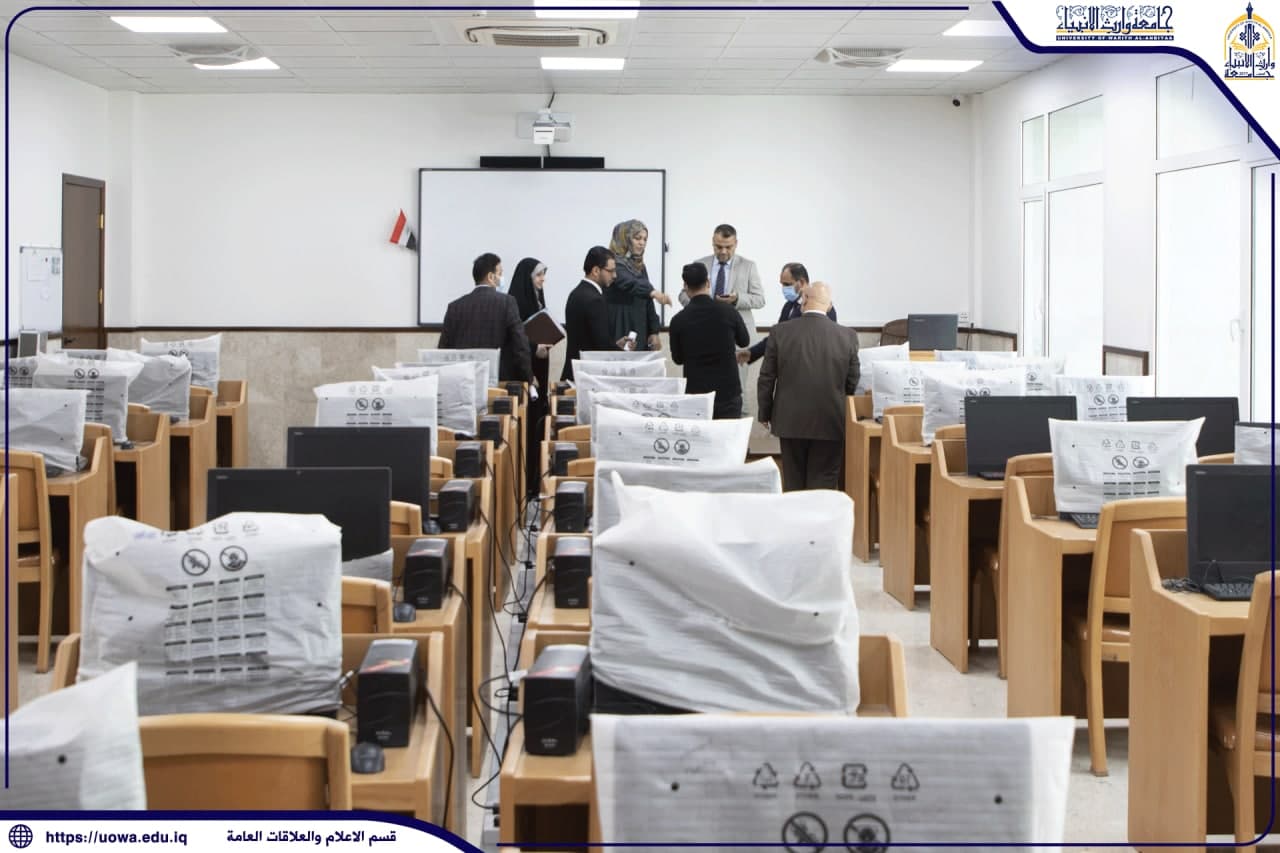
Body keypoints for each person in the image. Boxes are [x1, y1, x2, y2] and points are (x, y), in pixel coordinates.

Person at [758, 282, 860, 492]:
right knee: (824, 481)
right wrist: (840, 401)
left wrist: (765, 413)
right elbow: (853, 379)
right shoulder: (848, 336)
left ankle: (795, 513)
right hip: (831, 418)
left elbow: (767, 376)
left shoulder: (780, 332)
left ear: (804, 300)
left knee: (794, 480)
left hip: (790, 420)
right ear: (829, 306)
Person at [681, 224, 765, 392]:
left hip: (737, 338)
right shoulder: (700, 264)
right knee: (704, 388)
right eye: (718, 247)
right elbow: (683, 294)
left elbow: (759, 299)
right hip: (703, 335)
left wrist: (737, 299)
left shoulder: (748, 266)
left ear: (736, 244)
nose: (723, 251)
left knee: (738, 390)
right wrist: (702, 305)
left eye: (728, 247)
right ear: (712, 242)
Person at [669, 261, 750, 419]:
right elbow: (744, 341)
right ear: (708, 282)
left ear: (685, 286)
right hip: (728, 392)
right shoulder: (728, 311)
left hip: (696, 395)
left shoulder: (678, 320)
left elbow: (678, 359)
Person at [438, 252, 532, 383]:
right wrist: (528, 378)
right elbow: (520, 346)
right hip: (499, 384)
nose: (502, 278)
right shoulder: (507, 303)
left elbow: (443, 350)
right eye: (500, 274)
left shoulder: (454, 307)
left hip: (462, 382)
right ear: (491, 277)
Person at [509, 257, 553, 494]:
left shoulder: (538, 299)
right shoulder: (515, 302)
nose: (542, 279)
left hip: (540, 367)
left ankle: (536, 483)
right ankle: (525, 484)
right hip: (525, 373)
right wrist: (534, 346)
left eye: (543, 275)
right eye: (538, 275)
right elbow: (514, 340)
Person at [740, 263, 837, 365]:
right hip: (789, 367)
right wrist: (752, 353)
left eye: (787, 284)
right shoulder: (788, 306)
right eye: (782, 284)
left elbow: (825, 342)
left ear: (801, 282)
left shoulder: (823, 306)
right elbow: (778, 336)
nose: (783, 289)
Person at [562, 246, 632, 381]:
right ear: (595, 270)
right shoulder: (595, 300)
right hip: (588, 377)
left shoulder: (576, 293)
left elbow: (590, 339)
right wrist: (625, 355)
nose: (615, 276)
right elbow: (602, 347)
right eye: (610, 271)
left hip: (574, 372)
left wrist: (615, 345)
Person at [605, 219, 669, 352]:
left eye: (645, 239)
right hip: (620, 324)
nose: (642, 243)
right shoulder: (612, 263)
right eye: (637, 238)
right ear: (625, 239)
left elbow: (648, 300)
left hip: (640, 327)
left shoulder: (639, 266)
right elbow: (629, 282)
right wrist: (653, 292)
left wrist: (654, 332)